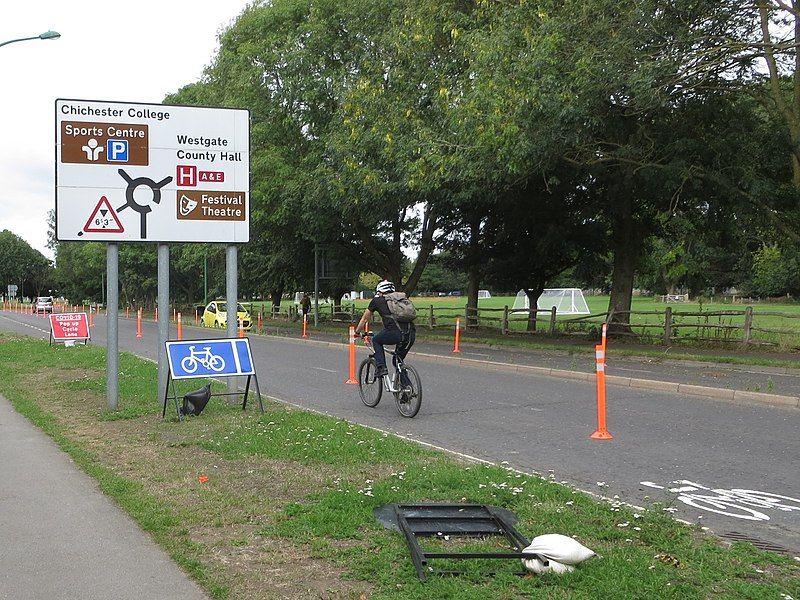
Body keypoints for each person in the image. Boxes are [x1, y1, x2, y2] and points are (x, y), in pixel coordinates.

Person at [354, 280, 416, 378]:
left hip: (394, 333)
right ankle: (406, 389)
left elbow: (365, 319)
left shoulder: (377, 301)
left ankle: (381, 367)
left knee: (376, 340)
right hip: (410, 334)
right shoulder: (401, 299)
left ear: (380, 291)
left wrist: (357, 332)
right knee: (398, 361)